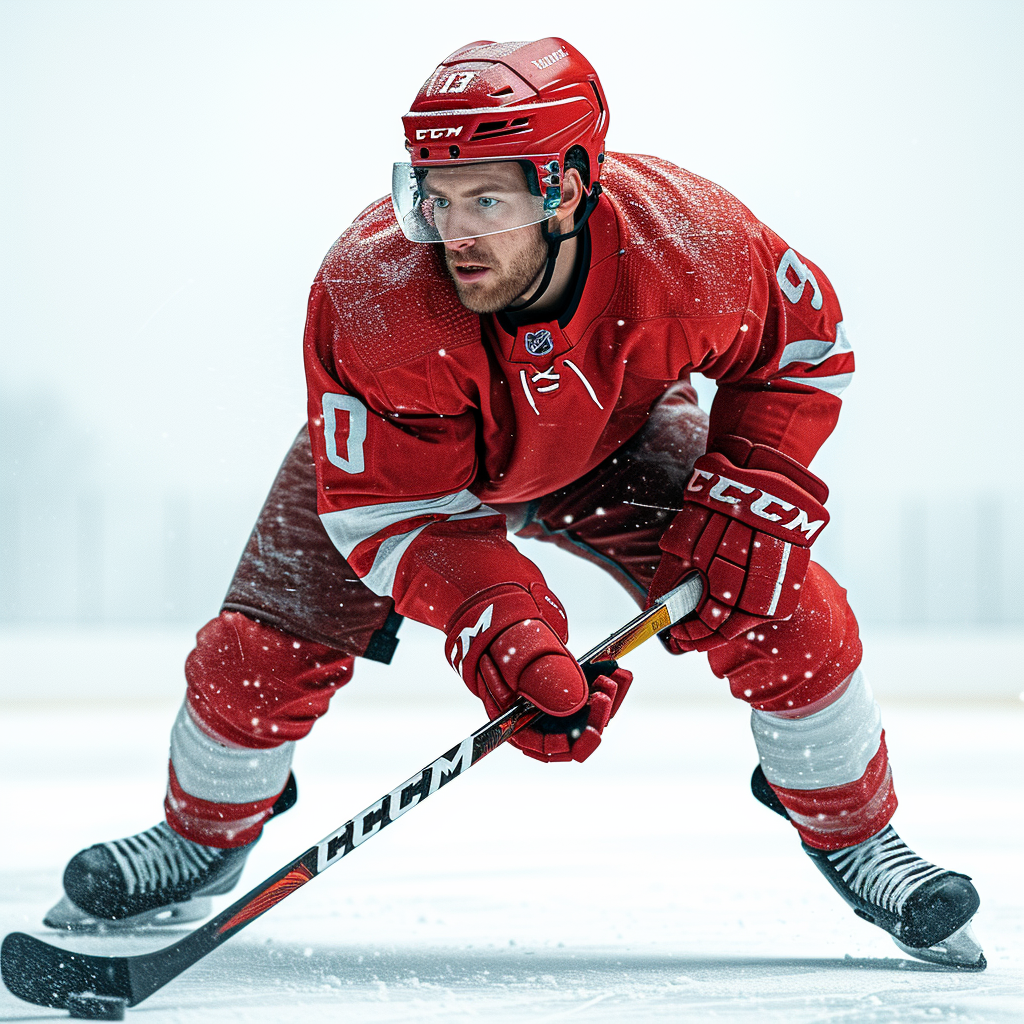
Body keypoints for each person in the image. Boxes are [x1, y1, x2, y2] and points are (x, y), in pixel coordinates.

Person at [47, 38, 983, 969]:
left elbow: (803, 346)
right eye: (435, 197)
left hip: (613, 440)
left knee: (782, 604)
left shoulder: (693, 246)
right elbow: (395, 514)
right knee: (257, 652)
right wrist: (504, 629)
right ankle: (203, 837)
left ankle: (854, 831)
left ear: (570, 183)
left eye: (487, 199)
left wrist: (757, 473)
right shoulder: (375, 297)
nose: (453, 233)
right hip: (404, 472)